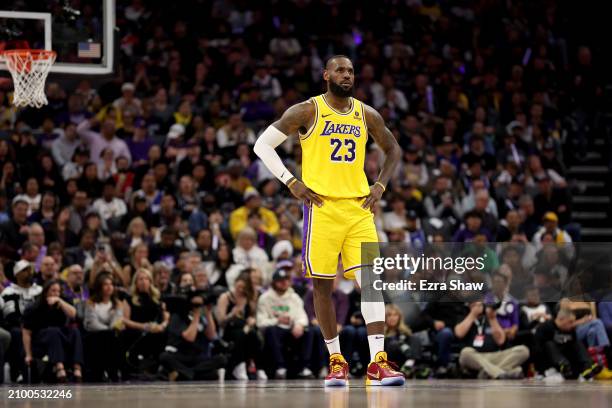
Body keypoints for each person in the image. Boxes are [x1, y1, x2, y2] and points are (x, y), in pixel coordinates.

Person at [253, 55, 404, 386]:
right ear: (326, 75)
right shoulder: (307, 110)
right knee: (323, 285)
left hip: (358, 209)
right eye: (340, 70)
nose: (347, 75)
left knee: (371, 283)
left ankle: (378, 362)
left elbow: (393, 150)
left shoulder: (367, 113)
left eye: (351, 70)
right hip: (321, 208)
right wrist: (290, 181)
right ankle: (337, 361)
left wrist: (379, 185)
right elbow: (262, 145)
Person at [22, 279, 84, 382]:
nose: (56, 293)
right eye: (53, 290)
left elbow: (73, 315)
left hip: (60, 336)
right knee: (53, 331)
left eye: (58, 291)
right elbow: (26, 332)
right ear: (46, 292)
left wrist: (60, 301)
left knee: (75, 331)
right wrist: (28, 354)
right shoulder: (35, 307)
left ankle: (77, 368)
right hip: (41, 339)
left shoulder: (62, 301)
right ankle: (59, 367)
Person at [256, 269, 313, 379]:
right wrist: (277, 320)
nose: (284, 283)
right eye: (280, 280)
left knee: (308, 331)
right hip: (275, 330)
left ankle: (304, 367)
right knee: (271, 330)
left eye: (286, 280)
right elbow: (261, 322)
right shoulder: (265, 298)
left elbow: (302, 316)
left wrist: (299, 324)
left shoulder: (294, 297)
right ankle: (280, 367)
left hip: (291, 329)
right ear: (274, 282)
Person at [159, 292, 226, 381]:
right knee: (164, 357)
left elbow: (211, 336)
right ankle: (190, 374)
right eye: (196, 305)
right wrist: (196, 315)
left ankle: (186, 374)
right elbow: (189, 338)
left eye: (200, 304)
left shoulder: (203, 317)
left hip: (196, 356)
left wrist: (208, 313)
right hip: (180, 355)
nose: (198, 307)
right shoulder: (179, 315)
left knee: (221, 359)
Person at [455, 300, 529, 379]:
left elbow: (501, 341)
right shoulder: (464, 316)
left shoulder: (491, 316)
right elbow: (459, 333)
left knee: (523, 350)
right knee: (465, 352)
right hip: (475, 357)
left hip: (495, 356)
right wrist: (473, 314)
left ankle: (490, 373)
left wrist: (492, 318)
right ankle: (504, 372)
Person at [215, 272, 265, 380]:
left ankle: (258, 367)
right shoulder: (226, 297)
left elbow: (253, 315)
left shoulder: (249, 298)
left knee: (252, 335)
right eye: (239, 287)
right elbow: (221, 321)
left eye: (244, 287)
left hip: (246, 329)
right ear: (234, 284)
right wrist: (232, 314)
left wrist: (252, 320)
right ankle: (240, 364)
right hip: (229, 329)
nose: (240, 290)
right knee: (240, 333)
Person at [1, 260, 42, 381]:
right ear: (16, 274)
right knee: (18, 333)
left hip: (37, 326)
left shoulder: (39, 290)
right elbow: (10, 316)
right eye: (25, 270)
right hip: (18, 326)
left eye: (30, 270)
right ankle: (20, 371)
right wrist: (26, 326)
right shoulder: (9, 292)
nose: (29, 273)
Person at [534, 308, 602, 380]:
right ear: (561, 319)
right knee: (549, 344)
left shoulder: (571, 330)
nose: (573, 324)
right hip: (551, 363)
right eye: (570, 322)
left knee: (577, 343)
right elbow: (537, 350)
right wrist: (541, 370)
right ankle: (563, 365)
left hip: (569, 364)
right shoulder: (544, 327)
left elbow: (576, 350)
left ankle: (588, 366)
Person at [82, 272, 125, 382]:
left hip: (110, 336)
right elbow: (92, 323)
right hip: (94, 335)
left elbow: (116, 322)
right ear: (99, 287)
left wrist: (110, 330)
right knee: (106, 337)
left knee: (114, 337)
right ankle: (100, 371)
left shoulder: (117, 303)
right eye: (105, 284)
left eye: (111, 284)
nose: (109, 287)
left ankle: (113, 371)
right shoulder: (91, 303)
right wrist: (107, 330)